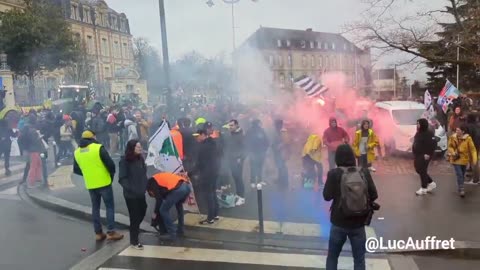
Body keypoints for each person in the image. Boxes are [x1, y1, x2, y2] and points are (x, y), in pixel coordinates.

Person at [323, 144, 378, 270]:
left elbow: (326, 196)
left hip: (339, 222)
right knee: (359, 260)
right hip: (358, 223)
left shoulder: (334, 173)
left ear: (337, 157)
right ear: (352, 156)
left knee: (332, 257)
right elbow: (374, 194)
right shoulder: (363, 172)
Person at [73, 130, 123, 241]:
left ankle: (98, 233)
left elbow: (76, 170)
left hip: (90, 184)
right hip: (104, 182)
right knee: (109, 207)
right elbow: (110, 164)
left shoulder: (77, 152)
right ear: (93, 137)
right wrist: (111, 174)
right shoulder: (98, 148)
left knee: (95, 208)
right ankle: (111, 232)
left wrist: (87, 174)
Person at [118, 140, 148, 249]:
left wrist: (145, 186)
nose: (140, 149)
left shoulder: (140, 159)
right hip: (131, 195)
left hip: (141, 192)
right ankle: (134, 241)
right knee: (134, 217)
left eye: (140, 147)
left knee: (143, 210)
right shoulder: (124, 161)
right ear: (132, 148)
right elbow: (122, 178)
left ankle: (134, 229)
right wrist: (132, 189)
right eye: (138, 147)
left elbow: (144, 174)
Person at [147, 172, 191, 241]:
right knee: (179, 207)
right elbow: (162, 197)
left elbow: (159, 201)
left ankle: (172, 234)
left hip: (178, 190)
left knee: (163, 210)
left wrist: (154, 216)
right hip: (186, 186)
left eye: (152, 195)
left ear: (149, 191)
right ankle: (180, 231)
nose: (153, 196)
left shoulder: (152, 185)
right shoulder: (157, 178)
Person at [192, 129, 220, 225]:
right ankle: (215, 214)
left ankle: (210, 218)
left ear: (203, 135)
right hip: (215, 171)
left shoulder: (203, 147)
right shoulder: (213, 143)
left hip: (207, 173)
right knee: (213, 192)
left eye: (198, 136)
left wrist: (190, 172)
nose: (196, 138)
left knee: (208, 195)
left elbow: (199, 163)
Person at [447, 125, 477, 197]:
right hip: (455, 158)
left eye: (458, 130)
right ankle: (461, 188)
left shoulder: (468, 139)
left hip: (464, 159)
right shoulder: (453, 137)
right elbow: (450, 146)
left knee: (462, 174)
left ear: (463, 131)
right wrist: (453, 152)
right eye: (456, 130)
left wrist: (474, 159)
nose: (457, 131)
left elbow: (473, 149)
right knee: (459, 174)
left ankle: (460, 185)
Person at [412, 118, 438, 195]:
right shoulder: (418, 133)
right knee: (418, 169)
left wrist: (428, 154)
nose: (417, 125)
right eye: (417, 123)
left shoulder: (429, 133)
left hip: (425, 155)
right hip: (418, 154)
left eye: (418, 123)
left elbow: (433, 144)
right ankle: (431, 182)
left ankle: (423, 188)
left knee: (422, 170)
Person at [226, 119, 246, 205]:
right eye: (229, 125)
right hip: (231, 159)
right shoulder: (231, 134)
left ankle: (242, 197)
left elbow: (245, 149)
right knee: (235, 177)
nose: (230, 127)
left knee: (239, 178)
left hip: (237, 161)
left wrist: (240, 158)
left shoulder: (240, 135)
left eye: (232, 125)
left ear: (236, 125)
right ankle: (238, 194)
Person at [245, 119, 269, 188]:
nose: (260, 124)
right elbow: (246, 142)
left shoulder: (259, 130)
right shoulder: (251, 131)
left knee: (257, 167)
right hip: (255, 152)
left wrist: (265, 149)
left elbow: (266, 141)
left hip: (258, 152)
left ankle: (256, 181)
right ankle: (254, 181)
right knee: (256, 167)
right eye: (259, 123)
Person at [272, 119, 289, 189]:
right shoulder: (278, 131)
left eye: (276, 124)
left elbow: (286, 141)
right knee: (279, 166)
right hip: (278, 152)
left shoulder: (283, 131)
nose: (275, 126)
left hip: (282, 152)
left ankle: (284, 182)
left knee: (282, 166)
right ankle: (280, 179)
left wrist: (279, 146)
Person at [465, 114, 480, 185]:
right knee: (475, 161)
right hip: (477, 144)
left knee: (474, 162)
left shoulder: (469, 126)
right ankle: (475, 178)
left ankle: (475, 180)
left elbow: (467, 137)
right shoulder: (477, 125)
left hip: (472, 145)